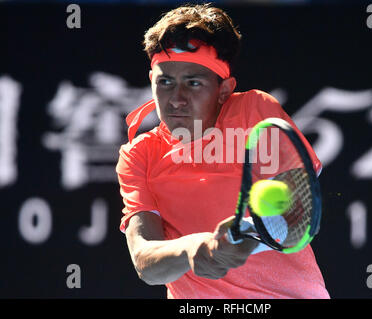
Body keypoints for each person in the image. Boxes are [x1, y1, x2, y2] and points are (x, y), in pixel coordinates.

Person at [116, 3, 330, 299]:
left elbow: (297, 212)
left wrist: (245, 235)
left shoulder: (255, 110)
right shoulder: (138, 154)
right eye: (165, 82)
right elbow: (145, 263)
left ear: (225, 90)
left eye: (193, 83)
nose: (176, 99)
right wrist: (192, 248)